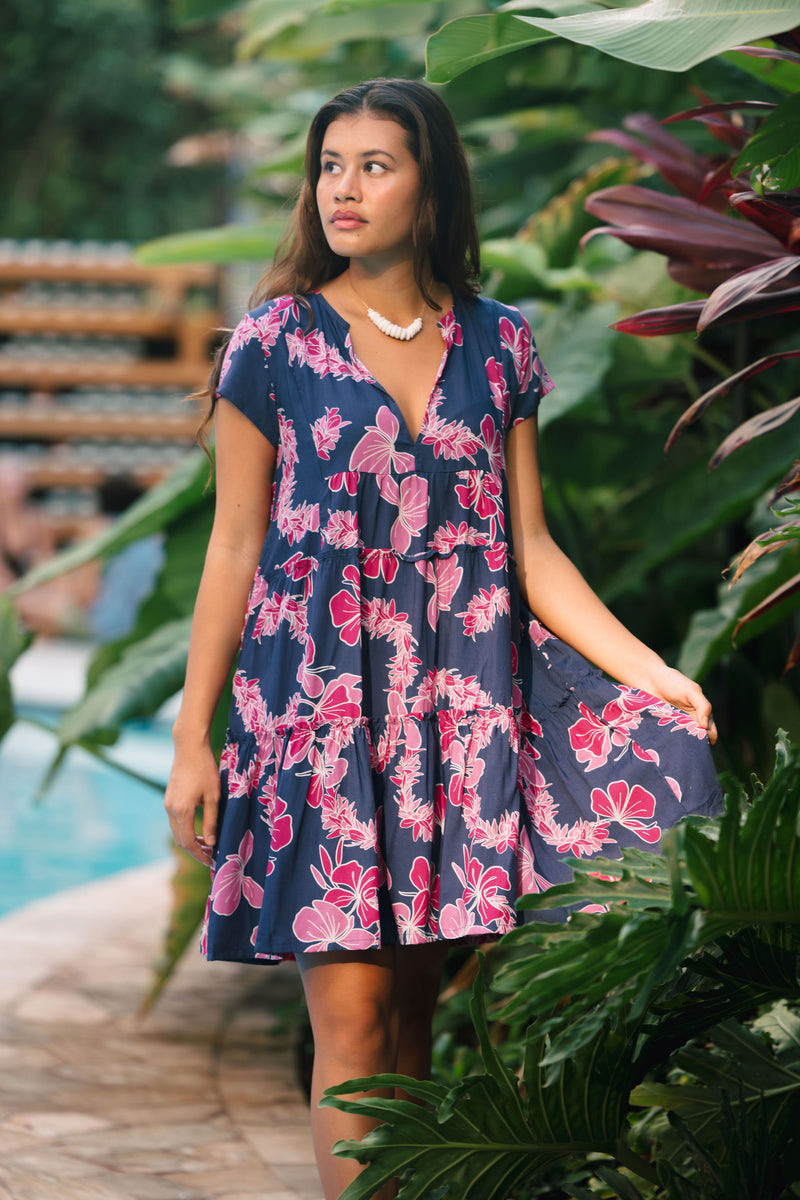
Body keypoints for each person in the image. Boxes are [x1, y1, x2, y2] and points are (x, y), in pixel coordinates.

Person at [164, 78, 721, 1200]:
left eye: (375, 165)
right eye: (330, 165)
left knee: (413, 1005)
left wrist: (650, 671)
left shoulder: (501, 345)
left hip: (452, 712)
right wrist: (192, 742)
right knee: (353, 1015)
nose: (344, 189)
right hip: (316, 708)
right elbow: (232, 550)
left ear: (432, 184)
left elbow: (530, 551)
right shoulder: (271, 343)